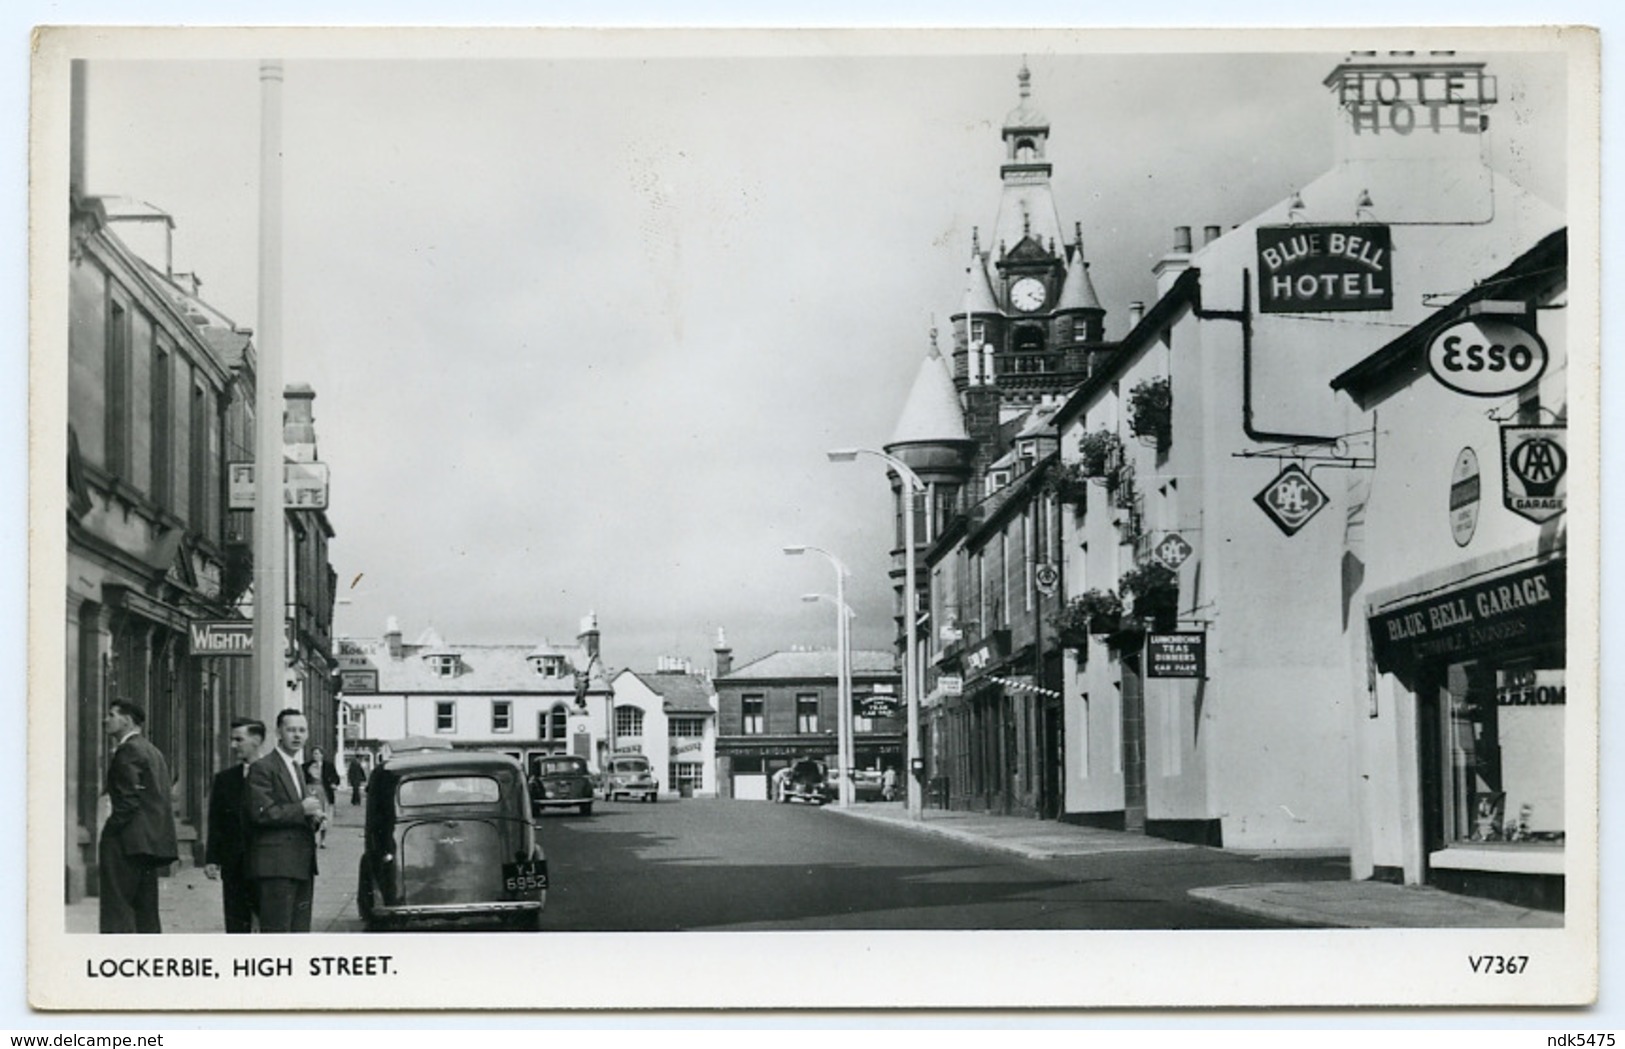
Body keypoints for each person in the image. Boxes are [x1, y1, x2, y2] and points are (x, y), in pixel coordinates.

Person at [98, 699, 180, 934]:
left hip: (125, 842)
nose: (106, 719)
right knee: (145, 911)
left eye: (111, 715)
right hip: (146, 844)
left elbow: (128, 801)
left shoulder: (129, 751)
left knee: (118, 909)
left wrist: (110, 830)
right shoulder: (151, 750)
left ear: (126, 720)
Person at [246, 708, 324, 933]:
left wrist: (315, 817)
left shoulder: (296, 768)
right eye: (291, 730)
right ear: (278, 732)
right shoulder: (263, 767)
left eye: (302, 730)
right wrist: (301, 808)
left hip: (300, 863)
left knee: (298, 932)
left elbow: (294, 811)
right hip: (276, 865)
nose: (297, 735)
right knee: (277, 932)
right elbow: (261, 813)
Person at [204, 718, 265, 933]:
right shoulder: (225, 779)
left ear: (257, 740)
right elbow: (216, 821)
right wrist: (212, 858)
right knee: (236, 924)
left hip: (267, 863)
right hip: (234, 864)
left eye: (239, 739)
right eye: (232, 740)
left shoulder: (276, 774)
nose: (233, 745)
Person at [303, 746, 333, 849]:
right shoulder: (306, 766)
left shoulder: (328, 766)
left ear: (322, 755)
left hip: (323, 791)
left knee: (323, 815)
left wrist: (332, 783)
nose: (315, 755)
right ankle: (313, 839)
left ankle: (323, 840)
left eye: (318, 753)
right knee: (312, 814)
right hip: (310, 790)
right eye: (314, 753)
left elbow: (335, 778)